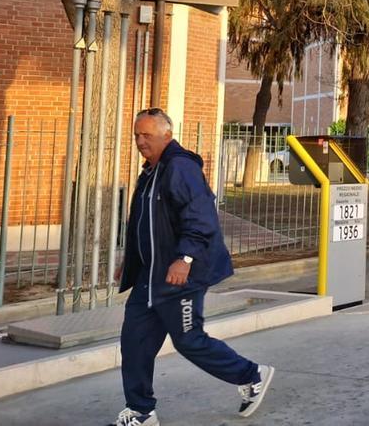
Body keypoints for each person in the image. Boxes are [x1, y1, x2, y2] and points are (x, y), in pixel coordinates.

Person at [110, 108, 272, 426]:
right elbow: (143, 223)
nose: (140, 141)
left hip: (180, 277)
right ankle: (141, 411)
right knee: (134, 342)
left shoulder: (180, 168)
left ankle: (251, 375)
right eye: (137, 135)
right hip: (149, 277)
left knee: (188, 339)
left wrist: (185, 259)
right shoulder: (150, 173)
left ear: (167, 136)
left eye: (147, 135)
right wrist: (130, 260)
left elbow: (201, 218)